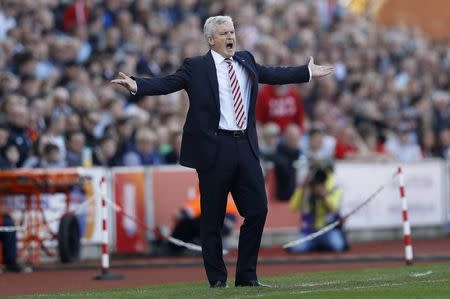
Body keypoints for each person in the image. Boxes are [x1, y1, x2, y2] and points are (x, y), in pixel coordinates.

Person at [112, 15, 333, 288]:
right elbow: (169, 83)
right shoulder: (196, 66)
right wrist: (137, 85)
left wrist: (306, 72)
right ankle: (217, 279)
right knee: (213, 219)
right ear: (210, 39)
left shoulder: (246, 59)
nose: (231, 37)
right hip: (215, 150)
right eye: (224, 33)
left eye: (232, 31)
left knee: (257, 210)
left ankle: (247, 277)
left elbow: (273, 74)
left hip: (246, 146)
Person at [157, 187, 238, 257]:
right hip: (222, 225)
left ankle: (173, 248)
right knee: (191, 222)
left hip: (218, 225)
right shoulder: (225, 189)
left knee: (186, 223)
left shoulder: (212, 188)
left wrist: (181, 213)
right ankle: (183, 246)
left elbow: (193, 208)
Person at [286, 163, 348, 253]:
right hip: (309, 231)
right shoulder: (307, 188)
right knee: (297, 248)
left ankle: (319, 245)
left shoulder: (334, 187)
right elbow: (293, 207)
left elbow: (334, 208)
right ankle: (317, 245)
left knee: (337, 245)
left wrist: (323, 195)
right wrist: (302, 188)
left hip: (328, 229)